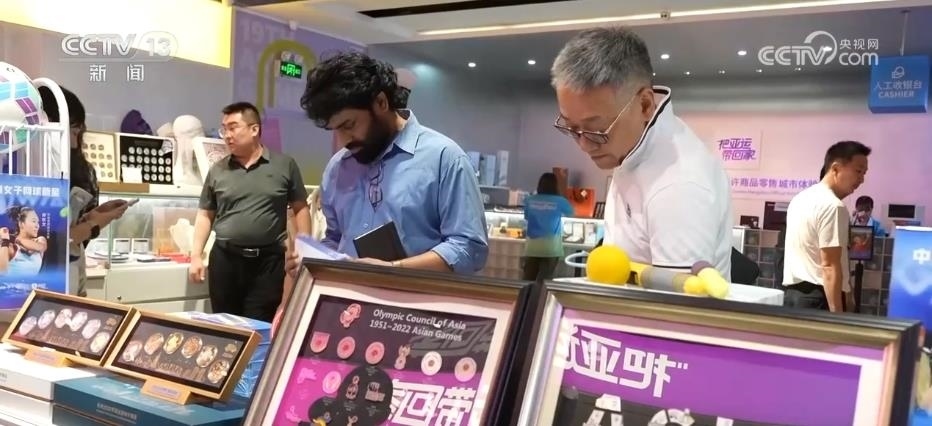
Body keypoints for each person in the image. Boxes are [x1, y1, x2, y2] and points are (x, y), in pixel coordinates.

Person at [550, 27, 733, 279]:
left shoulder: (678, 185)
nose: (584, 144)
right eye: (571, 128)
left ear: (645, 105)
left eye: (597, 130)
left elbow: (676, 300)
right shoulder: (631, 149)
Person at [287, 51, 488, 278]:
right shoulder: (337, 168)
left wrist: (394, 270)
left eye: (349, 125)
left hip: (418, 299)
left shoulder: (444, 158)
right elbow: (335, 239)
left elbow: (468, 248)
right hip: (347, 297)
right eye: (334, 130)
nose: (342, 141)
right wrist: (312, 262)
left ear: (381, 103)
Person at [189, 102, 311, 322]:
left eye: (233, 127)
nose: (227, 135)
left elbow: (300, 208)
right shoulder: (218, 170)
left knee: (259, 324)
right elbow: (205, 214)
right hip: (225, 260)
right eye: (224, 129)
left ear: (254, 129)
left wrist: (305, 250)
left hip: (268, 263)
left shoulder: (284, 165)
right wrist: (196, 255)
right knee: (225, 325)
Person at [38, 86, 129, 296]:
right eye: (72, 131)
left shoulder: (79, 170)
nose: (74, 143)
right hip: (45, 287)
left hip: (71, 276)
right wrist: (93, 224)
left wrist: (94, 216)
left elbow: (70, 237)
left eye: (79, 133)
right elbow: (54, 242)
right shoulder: (25, 176)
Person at [783, 141, 870, 312]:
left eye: (864, 173)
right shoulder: (833, 206)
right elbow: (829, 266)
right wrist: (837, 315)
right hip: (819, 298)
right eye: (858, 171)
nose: (861, 179)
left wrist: (848, 292)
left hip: (793, 296)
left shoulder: (799, 199)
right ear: (836, 168)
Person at [523, 172, 574, 281]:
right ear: (555, 186)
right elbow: (571, 213)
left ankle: (527, 293)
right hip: (552, 248)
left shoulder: (529, 200)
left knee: (528, 279)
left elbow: (527, 217)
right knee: (545, 281)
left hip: (532, 246)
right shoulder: (561, 201)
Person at [0, 206, 47, 275]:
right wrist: (5, 240)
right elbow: (2, 272)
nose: (37, 226)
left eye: (38, 222)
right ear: (21, 224)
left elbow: (40, 247)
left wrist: (16, 239)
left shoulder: (40, 240)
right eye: (34, 221)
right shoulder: (10, 247)